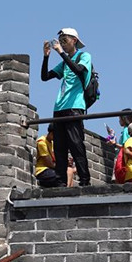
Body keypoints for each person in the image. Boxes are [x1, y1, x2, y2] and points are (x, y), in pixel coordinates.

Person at [41, 28, 91, 186]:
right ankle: (61, 181)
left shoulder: (84, 56)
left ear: (74, 40)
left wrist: (61, 52)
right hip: (59, 108)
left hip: (74, 106)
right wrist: (46, 56)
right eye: (60, 40)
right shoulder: (64, 63)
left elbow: (78, 70)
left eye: (65, 40)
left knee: (76, 144)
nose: (62, 43)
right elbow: (45, 77)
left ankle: (84, 180)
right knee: (60, 147)